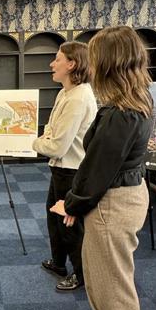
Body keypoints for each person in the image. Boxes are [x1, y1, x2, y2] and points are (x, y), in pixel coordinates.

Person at [51, 26, 152, 310]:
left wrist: (73, 203)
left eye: (94, 57)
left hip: (115, 202)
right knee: (98, 273)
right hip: (113, 198)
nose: (89, 64)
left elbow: (99, 169)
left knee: (114, 279)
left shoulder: (122, 113)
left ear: (108, 62)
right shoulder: (126, 102)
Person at [32, 41, 97, 291]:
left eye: (57, 59)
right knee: (53, 216)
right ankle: (59, 263)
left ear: (71, 64)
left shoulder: (78, 98)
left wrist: (33, 142)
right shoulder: (65, 92)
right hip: (60, 168)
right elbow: (51, 129)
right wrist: (46, 138)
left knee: (70, 225)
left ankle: (80, 275)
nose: (52, 63)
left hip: (71, 171)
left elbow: (57, 146)